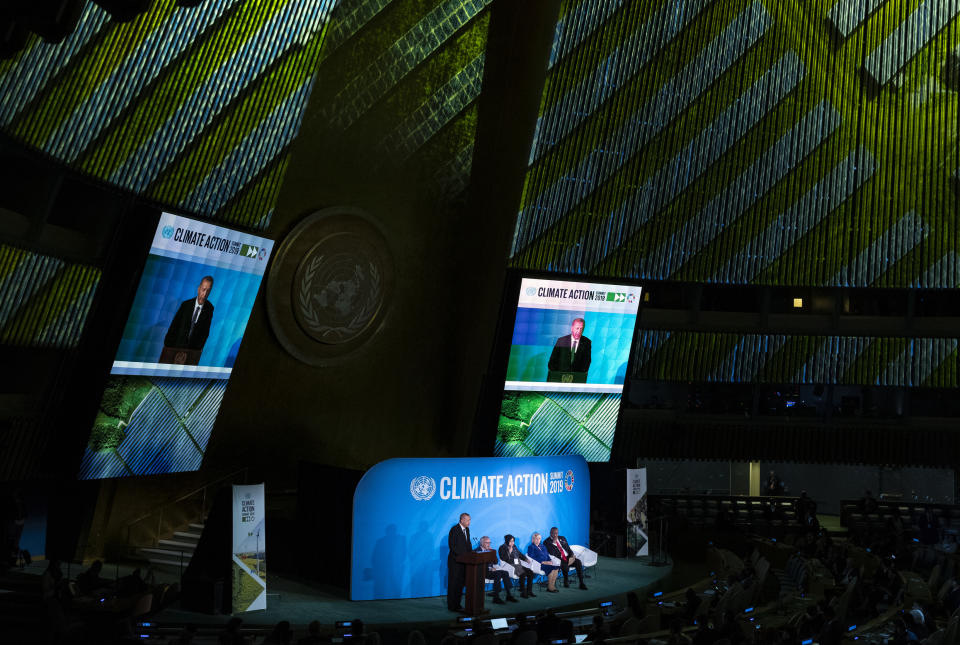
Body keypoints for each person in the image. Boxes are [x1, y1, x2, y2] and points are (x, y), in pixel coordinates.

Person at [162, 276, 215, 358]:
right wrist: (168, 347)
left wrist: (197, 350)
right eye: (203, 290)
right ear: (198, 289)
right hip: (176, 349)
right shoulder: (186, 305)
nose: (205, 294)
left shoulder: (209, 308)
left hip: (192, 353)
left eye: (208, 291)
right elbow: (174, 326)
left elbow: (205, 332)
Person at [478, 535, 516, 604]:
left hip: (492, 570)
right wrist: (489, 568)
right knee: (498, 573)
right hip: (483, 572)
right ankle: (496, 597)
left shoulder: (490, 550)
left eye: (490, 543)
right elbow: (478, 564)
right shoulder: (477, 551)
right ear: (482, 543)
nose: (489, 544)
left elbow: (495, 562)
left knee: (505, 572)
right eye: (487, 543)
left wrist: (492, 553)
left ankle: (508, 595)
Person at [447, 512, 472, 612]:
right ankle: (451, 605)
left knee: (460, 584)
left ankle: (457, 604)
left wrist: (471, 554)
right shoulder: (454, 530)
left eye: (470, 520)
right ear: (462, 520)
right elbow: (452, 546)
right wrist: (463, 555)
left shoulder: (467, 530)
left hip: (464, 562)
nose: (469, 522)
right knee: (453, 584)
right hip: (455, 562)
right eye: (468, 520)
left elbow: (467, 544)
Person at [499, 534, 535, 598]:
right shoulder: (502, 548)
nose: (512, 543)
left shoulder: (514, 546)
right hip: (510, 566)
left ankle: (529, 591)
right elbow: (503, 559)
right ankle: (523, 592)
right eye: (510, 541)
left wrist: (526, 559)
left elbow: (519, 554)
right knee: (523, 573)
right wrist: (509, 552)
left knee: (530, 572)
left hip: (518, 564)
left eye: (513, 541)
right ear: (507, 541)